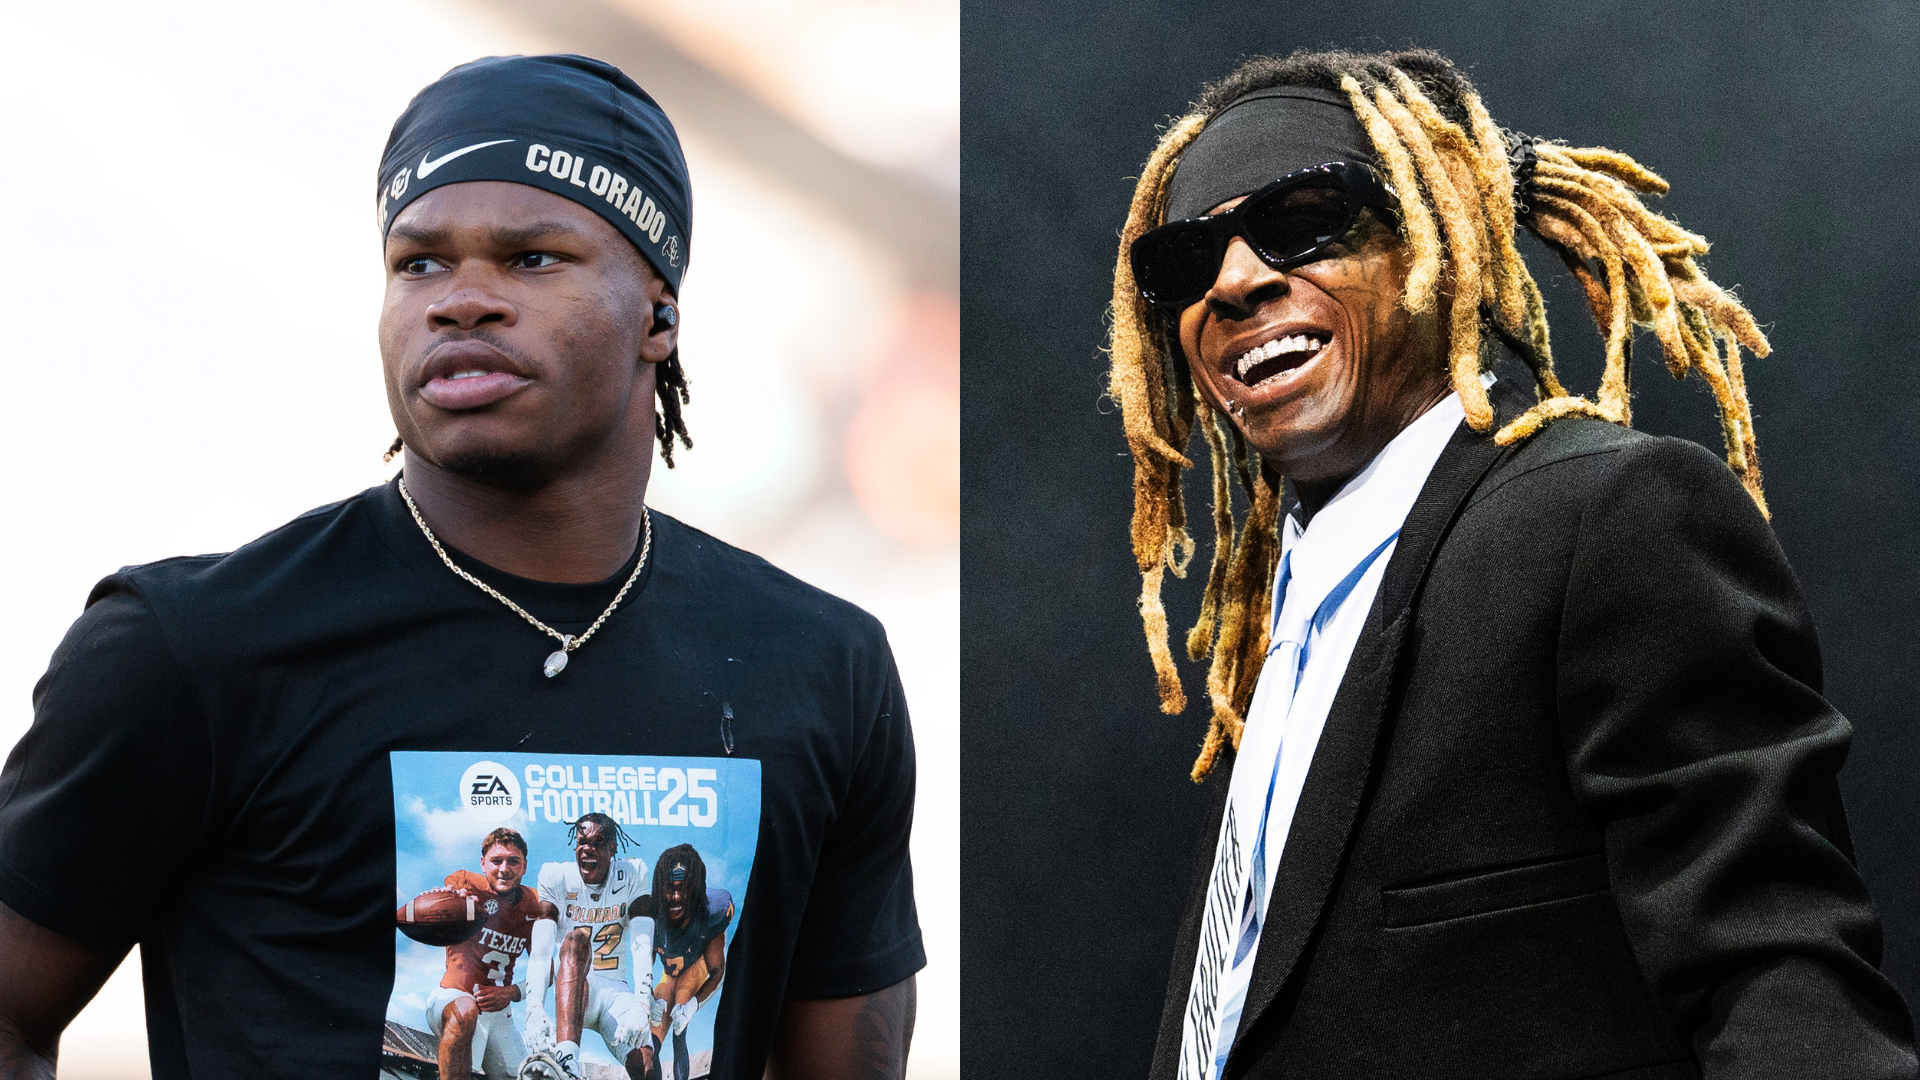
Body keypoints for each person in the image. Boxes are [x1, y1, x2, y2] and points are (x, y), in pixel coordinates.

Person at [0, 54, 921, 1080]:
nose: (460, 301)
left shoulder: (819, 666)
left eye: (531, 260)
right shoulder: (189, 649)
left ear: (659, 315)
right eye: (419, 264)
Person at [1106, 47, 1915, 1079]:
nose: (1234, 280)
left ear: (1439, 235)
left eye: (1303, 218)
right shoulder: (1289, 619)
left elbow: (1784, 984)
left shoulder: (1605, 519)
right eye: (1181, 263)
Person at [524, 814, 655, 1080]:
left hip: (615, 989)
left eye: (598, 842)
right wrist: (533, 1009)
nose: (588, 849)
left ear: (613, 848)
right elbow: (541, 952)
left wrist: (642, 1003)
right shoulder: (556, 876)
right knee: (576, 940)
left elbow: (642, 942)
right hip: (573, 988)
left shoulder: (633, 874)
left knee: (646, 1063)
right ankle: (567, 1064)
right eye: (583, 842)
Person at [431, 828, 542, 1080]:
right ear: (482, 864)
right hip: (453, 996)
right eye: (496, 861)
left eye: (513, 861)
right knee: (466, 1009)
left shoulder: (534, 903)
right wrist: (452, 902)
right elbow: (439, 910)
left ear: (524, 866)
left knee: (530, 1076)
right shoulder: (465, 885)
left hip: (500, 1015)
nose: (504, 869)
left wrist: (512, 992)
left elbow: (547, 969)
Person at [634, 845, 734, 1080]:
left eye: (684, 888)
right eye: (669, 888)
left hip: (694, 968)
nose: (676, 896)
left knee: (680, 1026)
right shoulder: (650, 915)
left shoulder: (712, 912)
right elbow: (643, 965)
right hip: (668, 976)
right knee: (651, 1042)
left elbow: (717, 970)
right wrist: (648, 996)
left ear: (696, 889)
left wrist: (692, 1006)